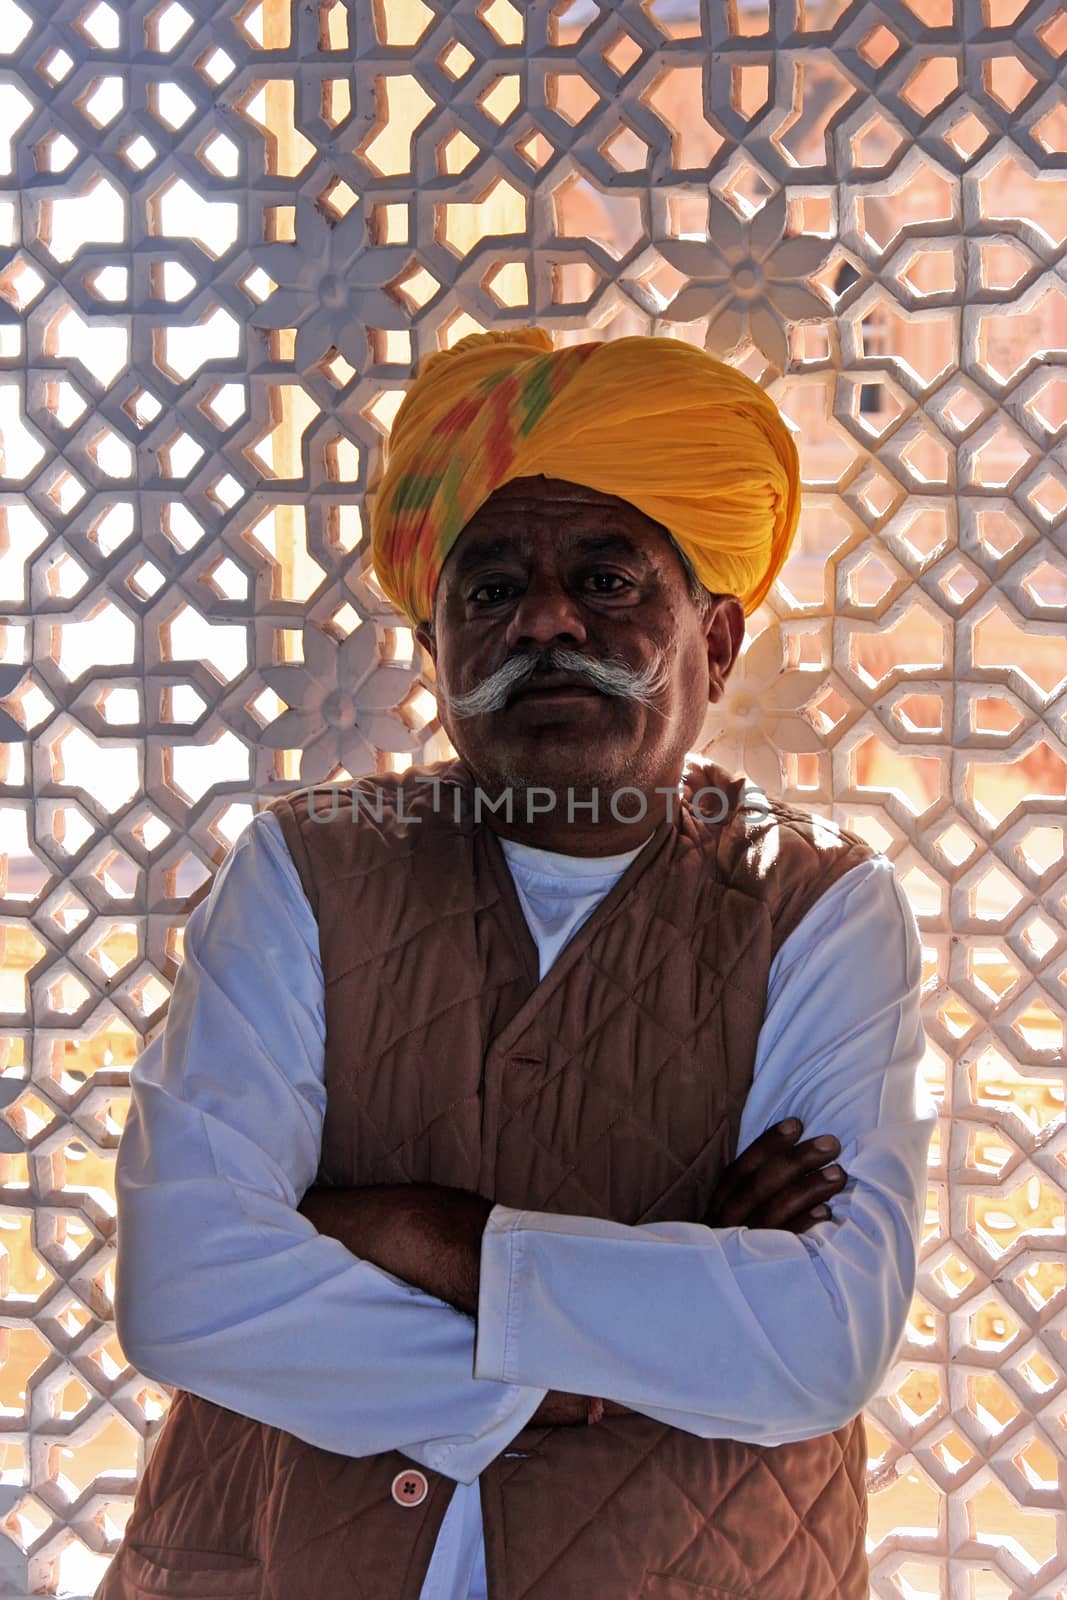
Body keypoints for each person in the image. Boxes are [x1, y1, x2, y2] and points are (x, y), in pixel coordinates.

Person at [95, 328, 934, 1600]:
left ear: (714, 640)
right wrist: (627, 1328)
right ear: (433, 659)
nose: (547, 619)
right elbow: (185, 1286)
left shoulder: (821, 911)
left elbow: (819, 1336)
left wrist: (413, 1231)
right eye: (488, 592)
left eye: (606, 580)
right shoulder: (300, 873)